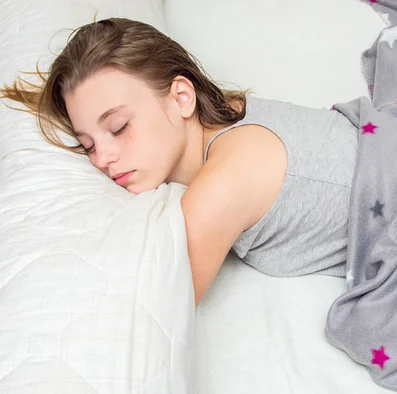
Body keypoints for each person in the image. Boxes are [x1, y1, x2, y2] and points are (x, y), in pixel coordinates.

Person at [0, 18, 358, 306]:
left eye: (119, 127)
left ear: (182, 97)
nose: (103, 158)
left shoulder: (227, 182)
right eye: (88, 144)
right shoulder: (224, 112)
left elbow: (153, 305)